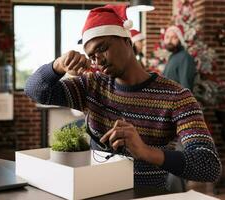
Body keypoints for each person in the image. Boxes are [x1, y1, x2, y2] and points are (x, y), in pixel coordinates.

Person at [25, 4, 221, 189]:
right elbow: (35, 91)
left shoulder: (176, 97)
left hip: (147, 195)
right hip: (93, 191)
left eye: (102, 48)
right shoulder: (91, 85)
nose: (98, 60)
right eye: (92, 56)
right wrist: (58, 65)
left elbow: (209, 165)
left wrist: (145, 152)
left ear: (127, 41)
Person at [163, 25, 197, 90]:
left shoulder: (185, 57)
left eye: (174, 37)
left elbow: (185, 86)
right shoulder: (172, 56)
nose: (169, 41)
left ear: (180, 39)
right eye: (167, 37)